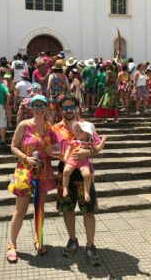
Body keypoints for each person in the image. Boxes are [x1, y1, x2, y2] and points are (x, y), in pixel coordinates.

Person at [52, 95, 102, 262]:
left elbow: (98, 145)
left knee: (88, 210)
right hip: (65, 171)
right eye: (65, 108)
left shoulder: (86, 126)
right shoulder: (55, 129)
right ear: (60, 109)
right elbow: (50, 148)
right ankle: (72, 240)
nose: (68, 110)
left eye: (71, 106)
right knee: (67, 209)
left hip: (84, 173)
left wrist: (88, 152)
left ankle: (90, 244)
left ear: (76, 107)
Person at [7, 95, 56, 263]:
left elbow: (57, 146)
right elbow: (13, 146)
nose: (39, 109)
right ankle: (12, 244)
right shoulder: (24, 125)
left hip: (43, 171)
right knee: (20, 210)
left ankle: (38, 238)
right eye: (36, 106)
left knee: (40, 208)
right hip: (25, 171)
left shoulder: (50, 128)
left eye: (42, 105)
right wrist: (26, 158)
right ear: (31, 108)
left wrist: (53, 150)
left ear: (46, 107)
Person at [63, 121, 107, 202]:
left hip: (84, 162)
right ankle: (65, 188)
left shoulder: (89, 143)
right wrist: (66, 157)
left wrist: (103, 141)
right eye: (77, 131)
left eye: (81, 131)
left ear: (87, 134)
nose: (78, 133)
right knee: (66, 171)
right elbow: (68, 149)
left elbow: (98, 149)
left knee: (87, 175)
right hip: (72, 159)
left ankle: (86, 192)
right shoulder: (73, 141)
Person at [46, 60, 70, 124]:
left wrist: (47, 98)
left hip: (52, 99)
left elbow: (48, 88)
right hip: (62, 99)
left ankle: (51, 130)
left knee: (52, 115)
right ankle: (64, 129)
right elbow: (68, 88)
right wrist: (66, 97)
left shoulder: (52, 75)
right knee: (63, 115)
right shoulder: (64, 77)